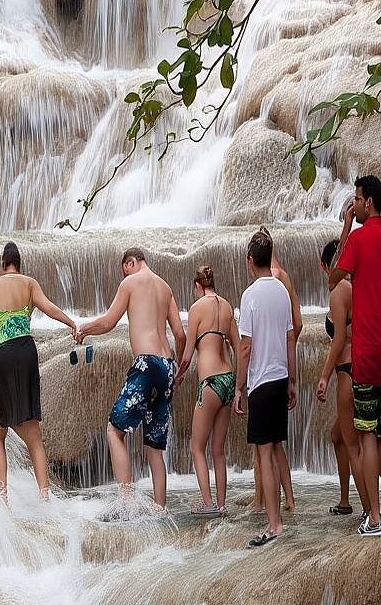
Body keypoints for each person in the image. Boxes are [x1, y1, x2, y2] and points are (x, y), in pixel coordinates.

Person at [76, 248, 185, 509]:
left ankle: (126, 502)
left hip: (146, 364)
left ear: (130, 263)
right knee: (154, 445)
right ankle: (160, 508)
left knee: (114, 431)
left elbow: (109, 322)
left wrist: (83, 329)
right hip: (167, 366)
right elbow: (180, 335)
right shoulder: (166, 288)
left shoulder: (130, 282)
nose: (124, 275)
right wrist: (179, 368)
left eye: (124, 270)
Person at [330, 175, 381, 537]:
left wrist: (346, 229)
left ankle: (373, 518)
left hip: (363, 352)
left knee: (365, 434)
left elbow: (333, 278)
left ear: (369, 202)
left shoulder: (359, 239)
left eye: (356, 200)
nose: (354, 206)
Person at [0, 242, 76, 502]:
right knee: (33, 434)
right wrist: (71, 322)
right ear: (19, 263)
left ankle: (3, 498)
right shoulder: (30, 283)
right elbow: (49, 308)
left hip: (4, 353)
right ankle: (45, 496)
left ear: (3, 264)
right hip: (27, 351)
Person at [233, 229, 297, 547]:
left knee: (265, 455)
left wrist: (238, 387)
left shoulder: (250, 295)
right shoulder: (282, 291)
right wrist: (293, 380)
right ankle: (278, 517)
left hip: (260, 382)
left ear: (250, 260)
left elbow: (246, 346)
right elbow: (290, 337)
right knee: (274, 450)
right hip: (281, 376)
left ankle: (274, 525)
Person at [176, 266, 239, 516]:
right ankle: (221, 505)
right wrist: (240, 387)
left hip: (210, 382)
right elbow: (239, 348)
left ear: (198, 286)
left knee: (197, 446)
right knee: (218, 450)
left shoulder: (196, 308)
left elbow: (187, 355)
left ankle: (207, 503)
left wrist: (178, 377)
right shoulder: (227, 307)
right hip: (228, 379)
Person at [314, 238, 368, 518]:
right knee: (338, 437)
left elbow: (338, 341)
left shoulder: (339, 292)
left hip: (347, 371)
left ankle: (370, 512)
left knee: (353, 444)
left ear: (324, 267)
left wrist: (324, 377)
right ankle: (345, 501)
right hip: (361, 367)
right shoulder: (355, 286)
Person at [259, 226, 302, 513]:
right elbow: (297, 324)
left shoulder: (269, 279)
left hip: (266, 369)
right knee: (276, 443)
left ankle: (262, 500)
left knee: (262, 446)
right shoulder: (284, 275)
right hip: (282, 365)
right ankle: (288, 498)